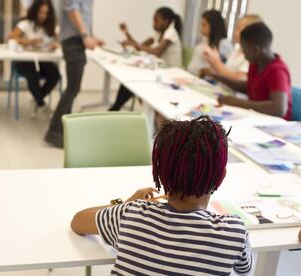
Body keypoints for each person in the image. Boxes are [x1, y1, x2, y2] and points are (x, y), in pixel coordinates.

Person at [71, 116, 253, 275]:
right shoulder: (234, 232)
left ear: (159, 171)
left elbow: (78, 221)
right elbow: (245, 270)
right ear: (221, 177)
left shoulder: (130, 214)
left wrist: (126, 203)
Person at [44, 0, 103, 148]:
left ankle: (62, 130)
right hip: (74, 41)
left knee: (73, 88)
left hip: (76, 40)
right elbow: (72, 9)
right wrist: (85, 35)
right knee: (72, 88)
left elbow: (83, 15)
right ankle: (54, 131)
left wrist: (90, 36)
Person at [109, 7, 183, 111]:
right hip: (160, 72)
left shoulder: (171, 33)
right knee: (131, 78)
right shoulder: (159, 33)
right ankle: (116, 107)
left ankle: (116, 107)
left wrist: (133, 44)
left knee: (135, 79)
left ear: (166, 21)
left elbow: (157, 51)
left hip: (171, 74)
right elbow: (141, 45)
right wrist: (126, 33)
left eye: (156, 20)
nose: (153, 23)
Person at [215, 22, 292, 120]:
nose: (243, 53)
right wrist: (215, 75)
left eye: (244, 49)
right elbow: (248, 87)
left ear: (256, 50)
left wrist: (239, 103)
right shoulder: (255, 64)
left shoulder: (278, 71)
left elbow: (279, 108)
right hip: (256, 118)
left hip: (274, 124)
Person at [8, 0, 60, 118]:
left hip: (43, 59)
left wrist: (55, 44)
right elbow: (11, 38)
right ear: (35, 11)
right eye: (41, 12)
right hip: (25, 60)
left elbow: (59, 41)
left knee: (55, 75)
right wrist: (28, 41)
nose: (43, 16)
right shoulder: (26, 23)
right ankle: (42, 104)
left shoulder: (51, 26)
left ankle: (37, 100)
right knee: (33, 75)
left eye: (46, 13)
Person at [201, 14, 263, 85]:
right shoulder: (236, 52)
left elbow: (240, 78)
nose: (235, 31)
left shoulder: (251, 57)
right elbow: (226, 73)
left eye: (238, 28)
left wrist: (216, 62)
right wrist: (212, 62)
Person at [188, 9, 234, 76]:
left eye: (204, 25)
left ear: (213, 26)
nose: (201, 28)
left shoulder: (224, 43)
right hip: (192, 77)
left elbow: (229, 67)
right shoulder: (206, 41)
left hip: (205, 81)